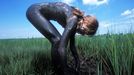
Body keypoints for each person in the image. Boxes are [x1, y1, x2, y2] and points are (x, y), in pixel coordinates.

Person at [26, 2, 98, 75]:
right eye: (85, 32)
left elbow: (72, 46)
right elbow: (61, 48)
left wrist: (78, 63)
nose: (83, 34)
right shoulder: (73, 20)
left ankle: (58, 69)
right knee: (57, 40)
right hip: (34, 11)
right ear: (86, 23)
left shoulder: (76, 23)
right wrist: (65, 69)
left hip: (39, 12)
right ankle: (57, 70)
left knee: (57, 40)